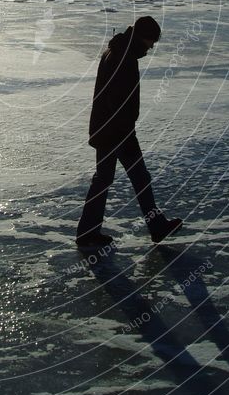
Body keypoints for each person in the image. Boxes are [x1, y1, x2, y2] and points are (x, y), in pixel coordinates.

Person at [76, 15, 183, 248]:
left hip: (108, 130)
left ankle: (87, 232)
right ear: (142, 37)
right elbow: (118, 101)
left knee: (105, 179)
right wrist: (125, 132)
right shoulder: (124, 58)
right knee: (138, 178)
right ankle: (155, 226)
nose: (151, 47)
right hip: (117, 133)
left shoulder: (117, 51)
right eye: (150, 42)